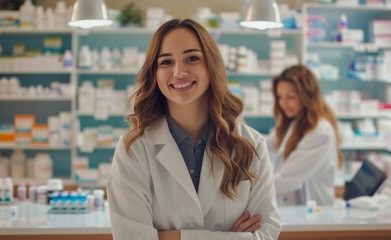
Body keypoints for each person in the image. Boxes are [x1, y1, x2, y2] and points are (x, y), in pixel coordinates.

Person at [107, 19, 281, 240]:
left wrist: (170, 236)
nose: (179, 72)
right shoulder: (134, 148)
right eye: (166, 62)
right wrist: (231, 237)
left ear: (211, 65)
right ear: (155, 73)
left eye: (192, 58)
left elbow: (266, 235)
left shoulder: (250, 144)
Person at [266, 64, 344, 206]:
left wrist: (246, 188)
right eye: (279, 97)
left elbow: (286, 179)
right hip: (295, 207)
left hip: (315, 213)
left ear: (307, 96)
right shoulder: (295, 122)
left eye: (290, 97)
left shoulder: (320, 133)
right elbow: (265, 143)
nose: (283, 103)